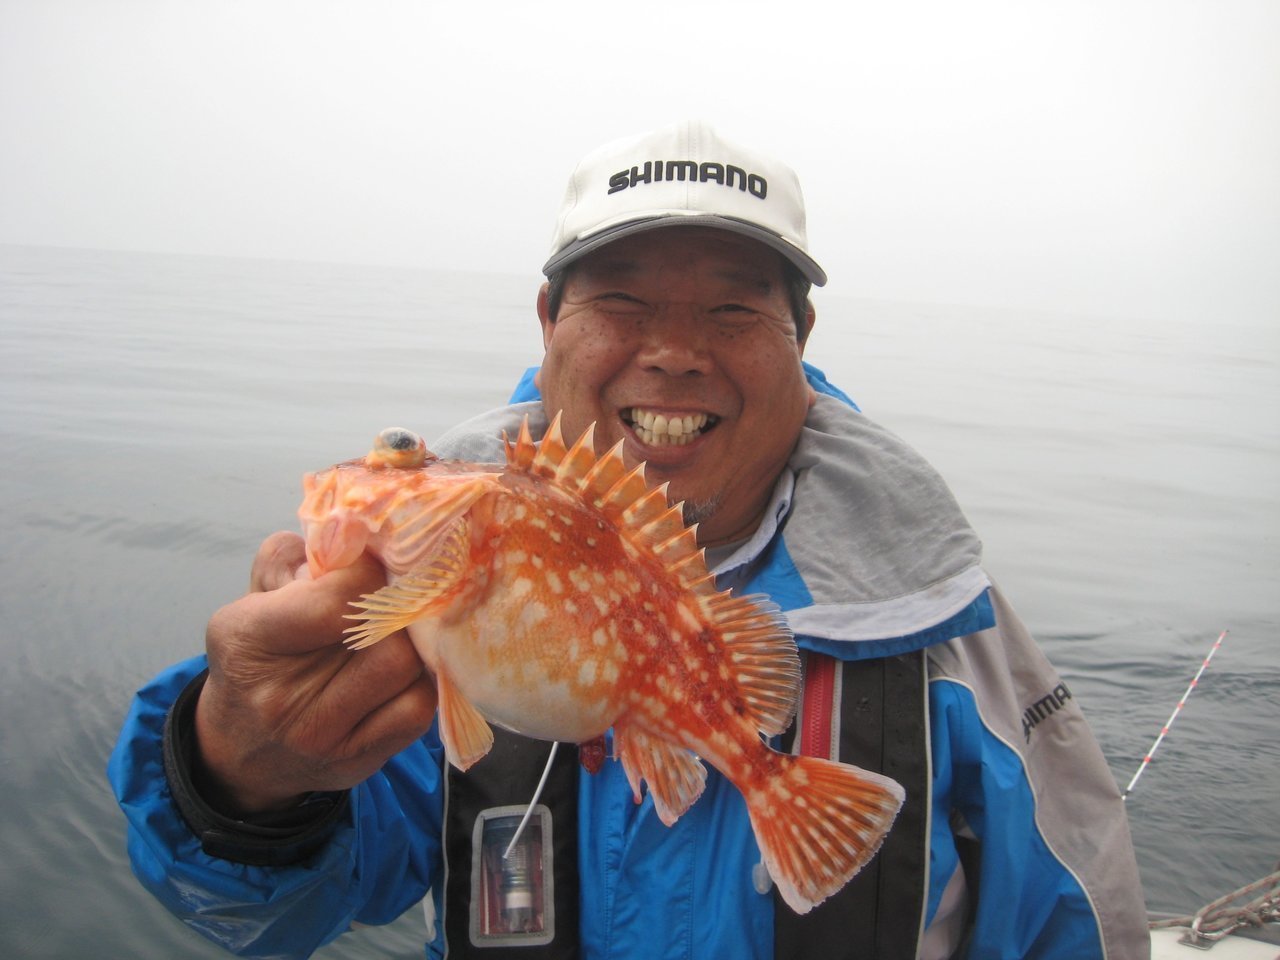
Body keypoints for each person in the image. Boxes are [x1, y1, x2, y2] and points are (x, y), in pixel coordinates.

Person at [108, 120, 1149, 959]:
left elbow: (1082, 919)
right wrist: (238, 782)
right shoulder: (421, 586)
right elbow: (269, 920)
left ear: (799, 338)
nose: (675, 352)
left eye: (733, 309)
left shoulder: (946, 623)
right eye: (620, 299)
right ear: (548, 320)